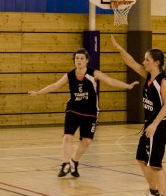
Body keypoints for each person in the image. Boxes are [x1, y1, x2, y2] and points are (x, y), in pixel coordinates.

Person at [28, 48, 138, 178]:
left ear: (86, 61)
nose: (79, 61)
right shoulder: (70, 75)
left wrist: (127, 86)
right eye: (77, 58)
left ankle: (74, 162)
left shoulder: (93, 73)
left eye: (81, 58)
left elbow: (111, 81)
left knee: (86, 141)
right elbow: (54, 86)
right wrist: (38, 93)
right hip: (73, 109)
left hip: (90, 112)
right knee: (67, 137)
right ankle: (65, 164)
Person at [112, 36, 166, 196]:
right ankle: (154, 192)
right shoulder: (148, 77)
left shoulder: (162, 81)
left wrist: (154, 124)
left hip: (160, 125)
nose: (144, 62)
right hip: (150, 125)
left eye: (147, 60)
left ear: (156, 62)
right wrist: (120, 49)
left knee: (155, 164)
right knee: (141, 158)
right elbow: (131, 62)